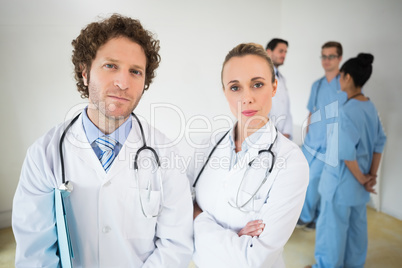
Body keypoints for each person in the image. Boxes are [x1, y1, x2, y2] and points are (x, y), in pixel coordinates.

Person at [12, 14, 193, 267]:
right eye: (111, 66)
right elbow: (35, 254)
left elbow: (176, 246)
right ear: (85, 73)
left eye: (135, 71)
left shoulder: (166, 154)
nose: (123, 82)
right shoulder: (45, 155)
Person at [188, 43, 309, 267]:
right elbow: (178, 210)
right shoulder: (208, 146)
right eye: (235, 87)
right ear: (224, 91)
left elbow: (254, 259)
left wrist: (197, 216)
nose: (247, 97)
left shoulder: (291, 162)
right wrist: (235, 238)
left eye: (257, 84)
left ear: (274, 87)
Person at [308, 53, 386, 268]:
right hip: (359, 189)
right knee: (356, 231)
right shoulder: (370, 107)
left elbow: (346, 154)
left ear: (348, 77)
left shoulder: (346, 111)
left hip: (340, 185)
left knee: (331, 232)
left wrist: (362, 179)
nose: (339, 80)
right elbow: (380, 144)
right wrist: (371, 176)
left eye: (341, 75)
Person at [298, 41, 347, 230]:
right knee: (302, 179)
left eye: (331, 56)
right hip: (312, 143)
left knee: (318, 182)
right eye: (323, 56)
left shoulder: (345, 84)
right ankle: (309, 215)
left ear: (339, 58)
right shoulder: (317, 85)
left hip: (330, 146)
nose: (326, 60)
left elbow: (351, 114)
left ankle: (309, 216)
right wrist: (307, 137)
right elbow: (311, 112)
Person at [266, 38, 293, 139]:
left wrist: (287, 132)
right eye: (281, 51)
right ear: (269, 52)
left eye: (285, 52)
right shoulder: (261, 77)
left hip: (282, 136)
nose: (284, 55)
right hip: (268, 135)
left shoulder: (282, 79)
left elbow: (286, 109)